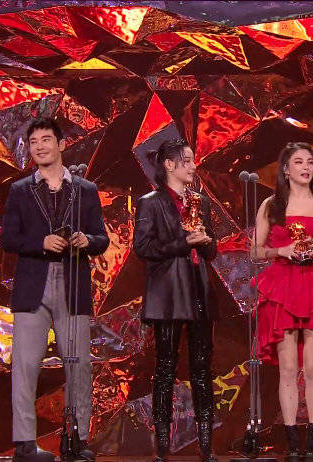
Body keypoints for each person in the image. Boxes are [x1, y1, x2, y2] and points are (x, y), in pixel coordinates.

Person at [1, 117, 109, 462]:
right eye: (33, 142)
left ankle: (76, 438)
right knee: (25, 365)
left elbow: (102, 237)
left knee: (79, 364)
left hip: (72, 282)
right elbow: (9, 238)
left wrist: (86, 240)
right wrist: (41, 242)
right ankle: (24, 443)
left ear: (61, 145)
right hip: (33, 283)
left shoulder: (85, 189)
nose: (39, 147)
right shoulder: (20, 190)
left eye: (46, 140)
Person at [254, 142, 313, 461]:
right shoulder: (271, 205)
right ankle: (293, 441)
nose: (306, 167)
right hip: (282, 285)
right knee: (288, 368)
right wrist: (280, 250)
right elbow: (255, 251)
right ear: (286, 169)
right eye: (299, 162)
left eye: (310, 162)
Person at [133, 139, 218, 462]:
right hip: (168, 291)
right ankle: (162, 443)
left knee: (202, 366)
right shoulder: (151, 203)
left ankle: (206, 442)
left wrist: (205, 242)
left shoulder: (200, 202)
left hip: (198, 288)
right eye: (187, 160)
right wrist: (184, 242)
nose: (194, 166)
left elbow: (211, 250)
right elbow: (143, 248)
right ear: (169, 165)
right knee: (166, 366)